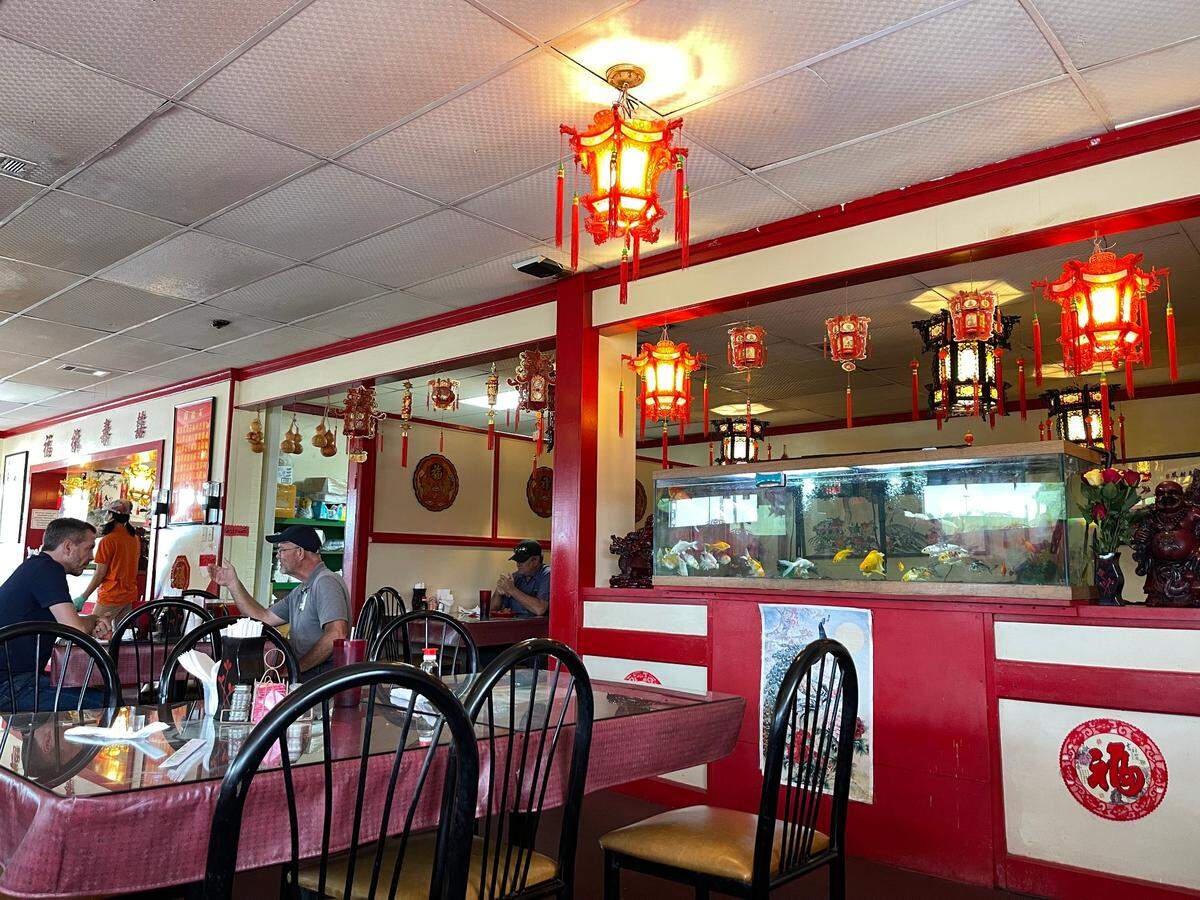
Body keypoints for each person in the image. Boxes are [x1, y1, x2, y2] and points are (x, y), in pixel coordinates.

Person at [207, 525, 350, 679]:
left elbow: (337, 634)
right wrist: (233, 584)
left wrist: (296, 668)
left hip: (322, 679)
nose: (277, 556)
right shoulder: (302, 589)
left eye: (282, 550)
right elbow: (262, 618)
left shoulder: (325, 582)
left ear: (300, 552)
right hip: (308, 674)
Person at [0, 518, 108, 712]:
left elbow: (70, 624)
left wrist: (88, 623)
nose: (92, 556)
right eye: (89, 548)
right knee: (108, 703)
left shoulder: (37, 566)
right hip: (10, 686)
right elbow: (76, 629)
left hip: (16, 680)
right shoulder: (47, 570)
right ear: (67, 547)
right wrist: (93, 620)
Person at [75, 499, 142, 630]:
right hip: (129, 594)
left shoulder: (108, 540)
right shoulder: (134, 539)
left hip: (111, 595)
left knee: (93, 630)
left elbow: (100, 574)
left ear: (111, 516)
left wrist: (83, 597)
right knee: (120, 636)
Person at [491, 540, 550, 618]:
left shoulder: (547, 575)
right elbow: (492, 610)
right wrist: (498, 593)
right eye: (517, 560)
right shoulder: (516, 576)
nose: (518, 564)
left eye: (522, 560)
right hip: (514, 626)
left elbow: (540, 609)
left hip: (537, 628)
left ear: (535, 561)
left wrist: (512, 590)